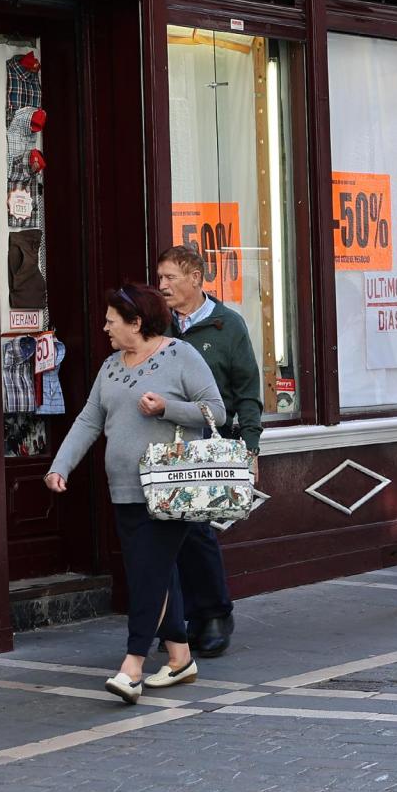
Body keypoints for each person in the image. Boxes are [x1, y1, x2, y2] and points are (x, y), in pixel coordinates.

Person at [45, 285, 226, 702]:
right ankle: (180, 658)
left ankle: (133, 664)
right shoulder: (110, 366)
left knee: (147, 575)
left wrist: (166, 407)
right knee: (155, 573)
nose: (105, 326)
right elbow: (89, 420)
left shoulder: (181, 355)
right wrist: (60, 465)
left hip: (170, 491)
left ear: (136, 323)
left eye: (112, 320)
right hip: (124, 490)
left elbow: (215, 411)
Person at [155, 245, 262, 658]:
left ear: (196, 278)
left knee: (195, 529)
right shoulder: (159, 325)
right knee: (165, 531)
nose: (162, 285)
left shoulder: (226, 325)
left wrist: (251, 446)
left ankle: (214, 615)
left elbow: (247, 391)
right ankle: (183, 620)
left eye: (170, 277)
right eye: (160, 278)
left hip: (207, 445)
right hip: (161, 442)